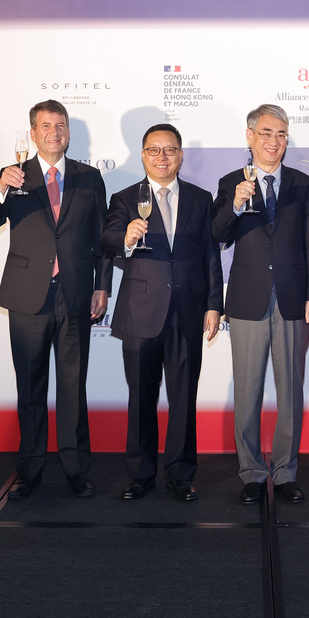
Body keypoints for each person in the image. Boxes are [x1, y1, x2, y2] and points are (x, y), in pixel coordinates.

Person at [0, 100, 111, 499]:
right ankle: (30, 469)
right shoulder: (15, 174)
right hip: (27, 296)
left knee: (73, 386)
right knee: (31, 387)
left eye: (61, 125)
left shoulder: (89, 177)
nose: (55, 132)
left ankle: (76, 468)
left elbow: (102, 238)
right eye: (47, 125)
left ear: (68, 132)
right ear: (33, 133)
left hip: (75, 294)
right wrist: (2, 186)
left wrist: (102, 286)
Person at [102, 124, 224, 502]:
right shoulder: (125, 198)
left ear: (180, 155)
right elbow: (107, 240)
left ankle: (181, 474)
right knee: (141, 398)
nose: (162, 157)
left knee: (184, 398)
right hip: (141, 312)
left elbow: (211, 256)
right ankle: (140, 473)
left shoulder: (201, 199)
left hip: (188, 311)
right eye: (154, 150)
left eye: (169, 150)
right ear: (143, 155)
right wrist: (125, 238)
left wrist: (213, 304)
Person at [211, 104, 309, 506]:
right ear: (250, 136)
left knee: (291, 390)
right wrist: (235, 204)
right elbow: (217, 234)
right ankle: (252, 473)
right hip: (247, 299)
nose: (274, 141)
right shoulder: (231, 182)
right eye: (266, 133)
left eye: (281, 134)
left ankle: (286, 471)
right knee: (247, 390)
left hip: (293, 298)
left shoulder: (302, 183)